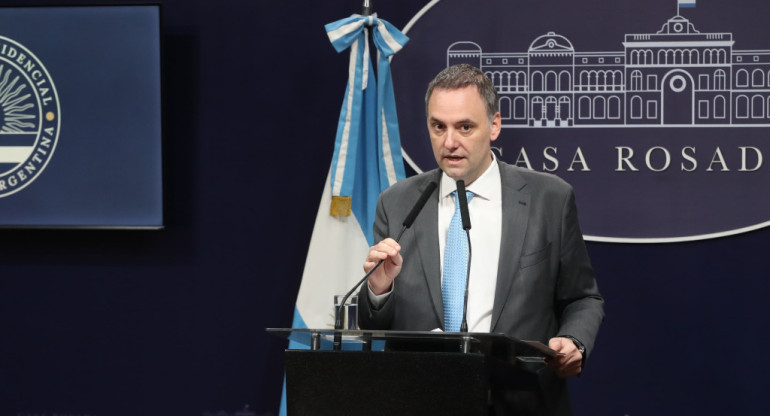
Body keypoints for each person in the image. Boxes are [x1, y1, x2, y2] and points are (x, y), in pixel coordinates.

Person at [358, 63, 604, 415]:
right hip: (420, 400)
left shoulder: (549, 198)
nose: (450, 142)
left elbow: (583, 298)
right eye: (438, 126)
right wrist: (379, 292)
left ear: (494, 126)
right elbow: (373, 327)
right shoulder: (397, 203)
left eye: (465, 127)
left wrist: (574, 342)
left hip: (521, 401)